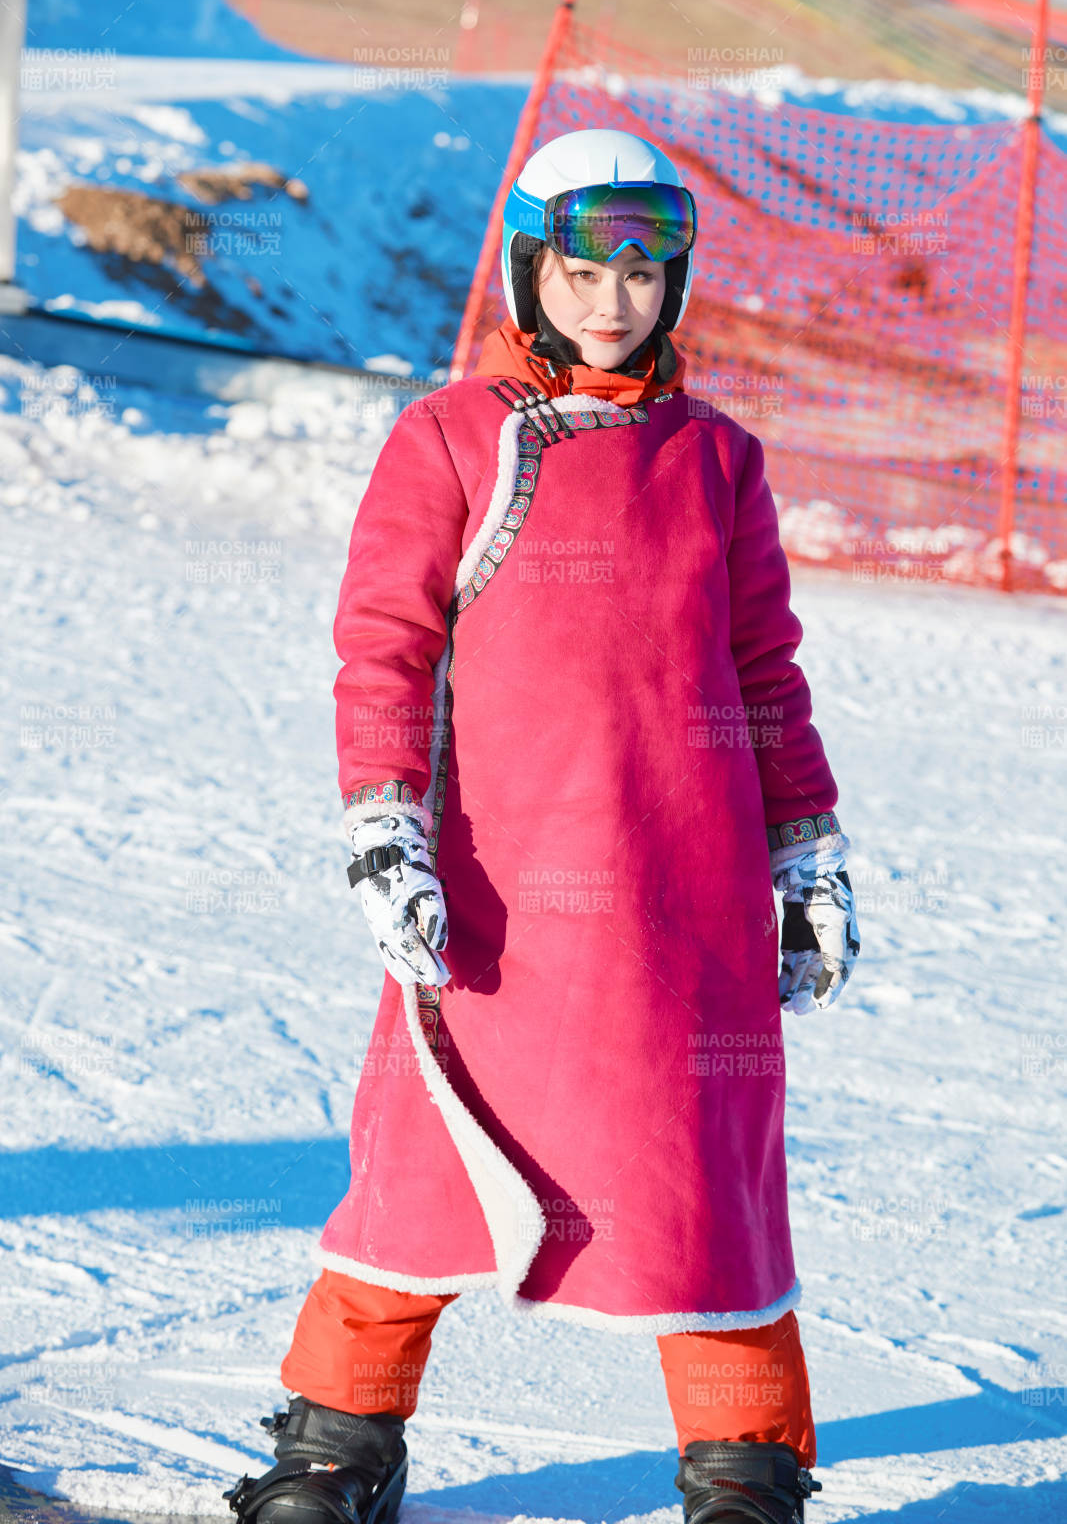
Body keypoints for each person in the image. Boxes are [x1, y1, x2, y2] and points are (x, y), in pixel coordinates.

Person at [224, 128, 860, 1524]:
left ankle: (746, 1466)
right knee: (421, 1176)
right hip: (496, 896)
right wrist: (386, 824)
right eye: (585, 266)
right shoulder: (453, 435)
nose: (614, 298)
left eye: (646, 270)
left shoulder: (719, 463)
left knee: (703, 1184)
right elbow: (383, 643)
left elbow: (764, 676)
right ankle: (334, 1448)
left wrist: (804, 845)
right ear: (529, 267)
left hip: (682, 898)